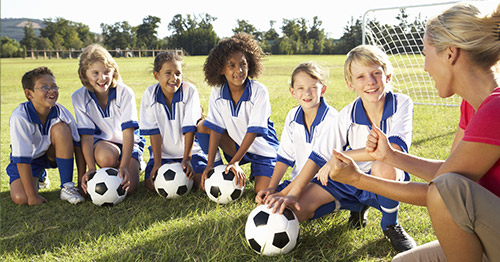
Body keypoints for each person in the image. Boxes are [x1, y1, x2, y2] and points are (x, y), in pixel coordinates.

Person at [318, 3, 500, 261]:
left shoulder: (496, 110)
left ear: (450, 54)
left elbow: (440, 192)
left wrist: (360, 180)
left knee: (445, 189)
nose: (425, 67)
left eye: (426, 54)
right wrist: (390, 156)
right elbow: (449, 173)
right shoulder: (472, 107)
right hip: (487, 231)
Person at [266, 45, 416, 252]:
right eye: (361, 77)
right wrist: (292, 193)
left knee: (383, 166)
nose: (370, 82)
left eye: (376, 73)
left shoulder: (401, 103)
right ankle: (353, 206)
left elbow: (391, 150)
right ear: (350, 83)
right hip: (348, 177)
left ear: (388, 76)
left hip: (382, 178)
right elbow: (318, 156)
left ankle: (390, 225)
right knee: (298, 209)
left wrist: (341, 156)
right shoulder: (347, 114)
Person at [255, 61, 341, 222]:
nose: (306, 93)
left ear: (322, 90)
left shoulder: (331, 119)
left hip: (326, 182)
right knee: (264, 204)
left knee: (294, 212)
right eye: (300, 88)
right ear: (292, 92)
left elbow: (317, 164)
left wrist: (282, 193)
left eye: (313, 87)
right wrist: (271, 188)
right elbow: (284, 157)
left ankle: (340, 203)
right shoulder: (292, 116)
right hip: (298, 181)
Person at [198, 33, 279, 193]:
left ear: (250, 64)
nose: (239, 70)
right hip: (236, 145)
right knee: (203, 126)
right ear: (221, 69)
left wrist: (235, 161)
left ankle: (259, 171)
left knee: (262, 192)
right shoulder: (218, 91)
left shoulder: (258, 91)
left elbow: (253, 131)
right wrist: (210, 165)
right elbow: (216, 128)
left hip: (264, 151)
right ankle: (219, 172)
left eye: (243, 64)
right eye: (232, 65)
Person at [140, 52, 221, 191]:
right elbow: (154, 132)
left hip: (191, 153)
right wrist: (157, 163)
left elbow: (189, 128)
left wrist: (186, 159)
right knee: (151, 186)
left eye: (178, 73)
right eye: (168, 73)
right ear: (156, 75)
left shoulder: (189, 91)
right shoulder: (150, 94)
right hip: (164, 155)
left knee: (202, 184)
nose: (174, 78)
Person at [72, 44, 145, 195]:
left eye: (106, 72)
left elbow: (128, 133)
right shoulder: (79, 98)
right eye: (95, 73)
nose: (102, 78)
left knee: (129, 189)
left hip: (127, 143)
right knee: (106, 157)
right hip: (103, 146)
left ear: (114, 72)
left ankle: (133, 163)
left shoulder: (125, 93)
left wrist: (124, 166)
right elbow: (86, 137)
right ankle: (110, 168)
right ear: (84, 74)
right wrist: (91, 168)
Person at [6, 66, 85, 205]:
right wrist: (32, 197)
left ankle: (67, 187)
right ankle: (40, 175)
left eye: (54, 86)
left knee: (61, 129)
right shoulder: (20, 117)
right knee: (21, 198)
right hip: (29, 160)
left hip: (51, 155)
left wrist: (81, 184)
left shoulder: (62, 112)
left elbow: (78, 147)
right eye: (45, 87)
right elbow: (22, 160)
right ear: (29, 94)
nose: (51, 91)